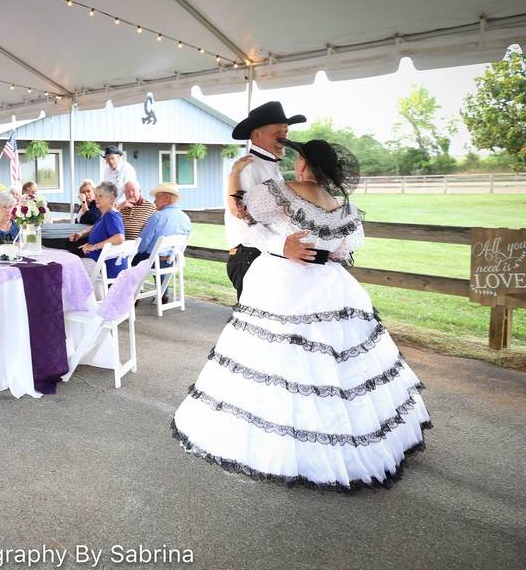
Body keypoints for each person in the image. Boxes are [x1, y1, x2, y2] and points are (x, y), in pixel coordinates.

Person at [172, 139, 430, 490]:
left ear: (305, 165)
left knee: (279, 360)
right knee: (334, 362)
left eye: (299, 159)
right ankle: (346, 441)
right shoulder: (342, 207)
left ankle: (292, 447)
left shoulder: (279, 192)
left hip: (282, 281)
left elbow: (242, 218)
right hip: (332, 284)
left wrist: (234, 176)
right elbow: (341, 252)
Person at [225, 101, 316, 300]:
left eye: (286, 133)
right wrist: (282, 246)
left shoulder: (269, 166)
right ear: (257, 135)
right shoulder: (249, 167)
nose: (284, 139)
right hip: (252, 253)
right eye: (278, 133)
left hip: (270, 252)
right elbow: (242, 215)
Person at [70, 181, 126, 278]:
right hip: (98, 263)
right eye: (96, 195)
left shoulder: (111, 215)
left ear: (111, 198)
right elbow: (94, 227)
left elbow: (119, 237)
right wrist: (81, 234)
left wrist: (94, 246)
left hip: (105, 267)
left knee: (68, 268)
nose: (96, 199)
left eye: (100, 196)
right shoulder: (105, 215)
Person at [133, 183, 192, 263]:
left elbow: (142, 246)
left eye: (157, 198)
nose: (154, 201)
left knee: (123, 260)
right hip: (173, 260)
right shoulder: (186, 218)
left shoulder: (157, 217)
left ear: (166, 198)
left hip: (153, 260)